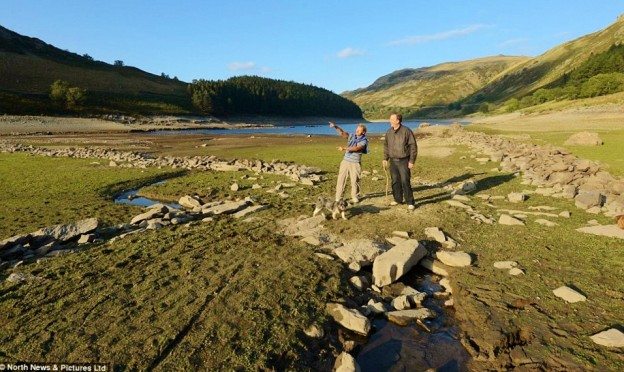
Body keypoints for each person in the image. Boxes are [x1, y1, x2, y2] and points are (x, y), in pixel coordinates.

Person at [383, 113, 418, 210]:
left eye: (391, 119)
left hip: (404, 161)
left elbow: (413, 146)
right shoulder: (389, 132)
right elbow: (386, 146)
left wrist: (411, 161)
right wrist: (385, 158)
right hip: (393, 161)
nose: (389, 121)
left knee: (405, 181)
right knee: (395, 181)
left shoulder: (406, 131)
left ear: (397, 121)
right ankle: (398, 199)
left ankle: (410, 202)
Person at [329, 121, 368, 204]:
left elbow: (356, 148)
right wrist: (336, 126)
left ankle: (355, 196)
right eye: (356, 129)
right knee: (341, 179)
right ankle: (338, 197)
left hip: (355, 163)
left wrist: (344, 148)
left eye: (359, 130)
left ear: (363, 132)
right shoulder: (352, 136)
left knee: (355, 181)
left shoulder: (364, 140)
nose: (356, 131)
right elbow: (343, 133)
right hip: (345, 161)